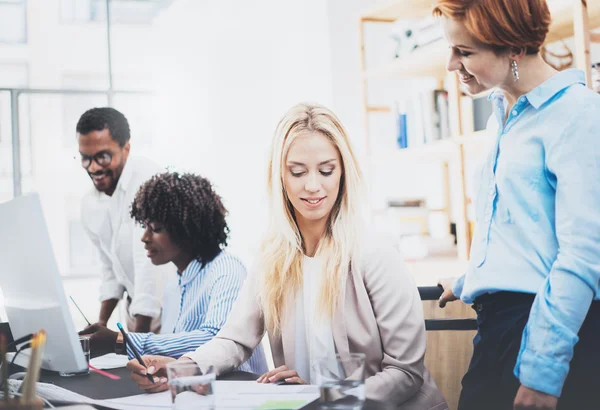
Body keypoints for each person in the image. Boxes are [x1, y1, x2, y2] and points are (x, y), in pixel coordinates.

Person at [125, 103, 448, 409]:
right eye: (297, 172)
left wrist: (320, 398)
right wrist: (183, 367)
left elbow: (405, 374)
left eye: (326, 170)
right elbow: (236, 339)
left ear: (343, 173)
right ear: (280, 176)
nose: (312, 186)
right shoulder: (273, 255)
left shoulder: (375, 253)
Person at [433, 1, 600, 409]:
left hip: (547, 332)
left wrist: (543, 373)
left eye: (465, 52)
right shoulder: (500, 117)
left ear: (513, 49)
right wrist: (473, 275)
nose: (452, 65)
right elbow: (520, 228)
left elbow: (584, 253)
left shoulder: (579, 116)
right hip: (498, 328)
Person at [80, 172, 268, 374]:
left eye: (156, 228)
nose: (144, 237)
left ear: (187, 230)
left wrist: (121, 341)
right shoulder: (172, 286)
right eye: (145, 226)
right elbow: (174, 357)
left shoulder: (226, 270)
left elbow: (216, 340)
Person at [78, 107, 167, 332]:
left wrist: (136, 342)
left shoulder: (148, 181)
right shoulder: (90, 203)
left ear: (125, 148)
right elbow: (110, 267)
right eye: (86, 158)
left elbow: (149, 267)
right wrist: (101, 323)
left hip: (166, 313)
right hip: (134, 313)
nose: (93, 167)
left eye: (103, 157)